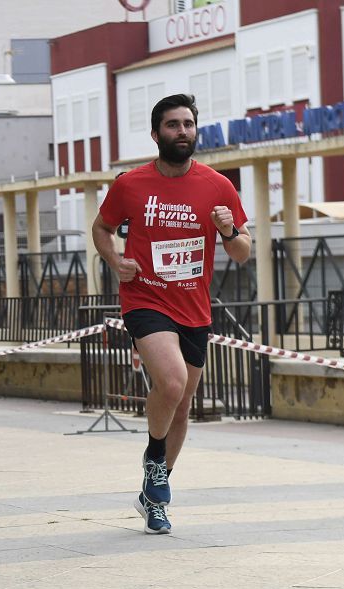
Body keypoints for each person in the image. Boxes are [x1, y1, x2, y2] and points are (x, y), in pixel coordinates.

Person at [92, 93, 251, 534]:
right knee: (173, 381)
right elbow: (102, 227)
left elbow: (242, 252)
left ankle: (153, 494)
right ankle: (155, 459)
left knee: (181, 408)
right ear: (156, 133)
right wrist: (115, 260)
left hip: (194, 308)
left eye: (188, 124)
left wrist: (229, 230)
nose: (182, 132)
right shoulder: (131, 184)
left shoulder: (218, 185)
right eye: (173, 125)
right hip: (145, 297)